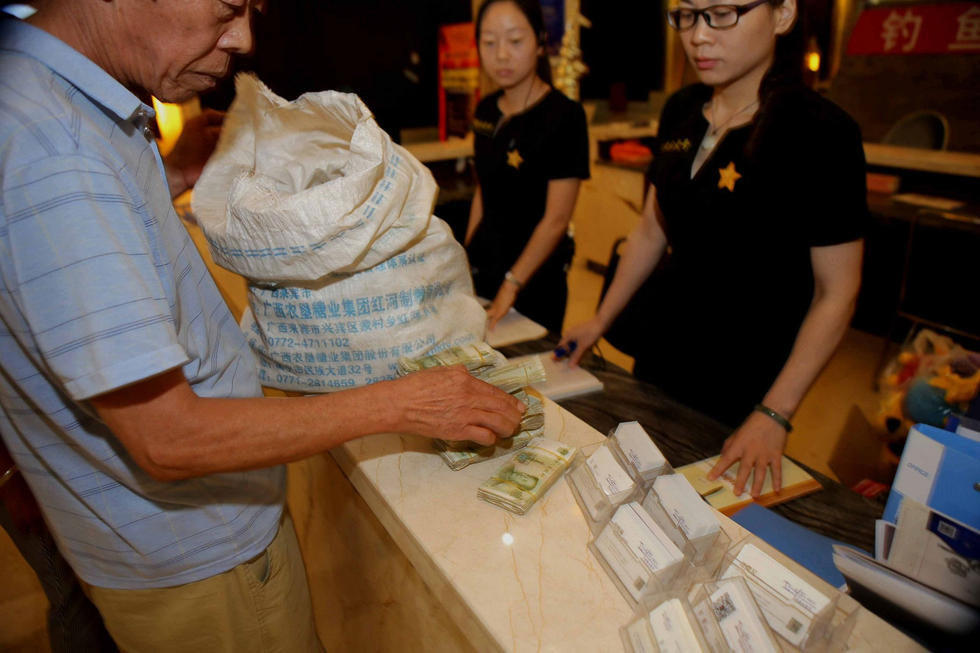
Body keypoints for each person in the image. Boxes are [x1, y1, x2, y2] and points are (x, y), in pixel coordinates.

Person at [0, 2, 524, 651]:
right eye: (227, 7)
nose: (244, 38)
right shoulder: (57, 154)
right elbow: (168, 438)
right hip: (204, 563)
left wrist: (168, 173)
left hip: (172, 547)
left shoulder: (43, 96)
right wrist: (405, 402)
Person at [559, 0, 867, 497]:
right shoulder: (681, 110)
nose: (699, 35)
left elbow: (838, 292)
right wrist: (600, 320)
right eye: (687, 14)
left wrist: (774, 414)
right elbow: (650, 231)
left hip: (743, 382)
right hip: (661, 355)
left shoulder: (821, 132)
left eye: (722, 13)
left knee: (700, 518)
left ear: (783, 14)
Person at [465, 0, 590, 334]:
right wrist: (465, 257)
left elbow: (556, 219)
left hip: (534, 280)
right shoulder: (486, 110)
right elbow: (484, 191)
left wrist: (512, 284)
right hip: (484, 270)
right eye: (489, 42)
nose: (501, 54)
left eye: (515, 41)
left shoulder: (564, 116)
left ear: (539, 42)